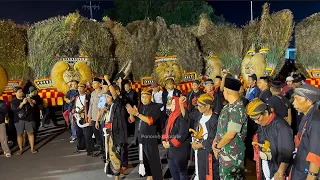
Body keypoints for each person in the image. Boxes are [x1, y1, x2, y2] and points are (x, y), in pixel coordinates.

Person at [246, 98, 295, 180]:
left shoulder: (281, 126)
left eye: (257, 119)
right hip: (267, 165)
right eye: (253, 120)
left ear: (265, 112)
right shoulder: (262, 123)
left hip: (277, 170)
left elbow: (287, 152)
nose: (256, 122)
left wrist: (280, 173)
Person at [212, 77, 247, 179]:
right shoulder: (227, 107)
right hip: (224, 154)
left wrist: (218, 147)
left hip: (233, 157)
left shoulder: (238, 109)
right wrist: (215, 142)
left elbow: (231, 133)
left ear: (226, 91)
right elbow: (221, 128)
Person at [126, 88, 162, 180]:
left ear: (151, 97)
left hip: (150, 138)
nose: (144, 99)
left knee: (153, 161)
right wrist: (131, 113)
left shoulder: (156, 107)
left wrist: (137, 114)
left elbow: (150, 121)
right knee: (145, 161)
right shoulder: (140, 106)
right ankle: (149, 177)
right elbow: (132, 120)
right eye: (142, 97)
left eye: (146, 97)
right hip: (140, 138)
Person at [182, 94, 219, 180]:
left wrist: (200, 145)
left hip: (208, 152)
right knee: (199, 172)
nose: (198, 108)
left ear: (208, 106)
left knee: (208, 174)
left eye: (200, 106)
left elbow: (213, 138)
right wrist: (181, 104)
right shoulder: (199, 115)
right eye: (197, 105)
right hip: (199, 150)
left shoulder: (215, 119)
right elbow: (186, 116)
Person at [290, 84, 320, 180]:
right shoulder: (307, 116)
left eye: (297, 99)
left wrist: (311, 177)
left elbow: (315, 157)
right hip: (300, 167)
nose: (294, 103)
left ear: (309, 101)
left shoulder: (316, 122)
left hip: (306, 173)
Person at [101, 77, 128, 179]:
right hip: (110, 133)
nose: (106, 99)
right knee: (112, 153)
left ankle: (117, 174)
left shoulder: (118, 103)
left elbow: (114, 94)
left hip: (119, 132)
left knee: (116, 153)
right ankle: (117, 171)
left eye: (108, 97)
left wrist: (107, 81)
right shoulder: (109, 106)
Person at [162, 96, 191, 180]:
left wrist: (170, 143)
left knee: (182, 173)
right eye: (171, 103)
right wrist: (164, 140)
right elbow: (165, 130)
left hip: (180, 150)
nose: (171, 105)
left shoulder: (183, 117)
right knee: (174, 173)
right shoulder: (171, 116)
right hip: (171, 151)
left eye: (174, 104)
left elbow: (182, 134)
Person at [11, 86, 37, 155]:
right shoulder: (14, 101)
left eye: (22, 91)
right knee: (20, 134)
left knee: (30, 133)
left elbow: (32, 106)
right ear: (15, 93)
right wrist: (22, 103)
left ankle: (32, 148)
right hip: (19, 120)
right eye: (19, 92)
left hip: (29, 118)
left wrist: (32, 102)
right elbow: (15, 110)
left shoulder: (27, 98)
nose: (21, 93)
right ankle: (20, 149)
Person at [72, 82, 94, 156]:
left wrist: (90, 117)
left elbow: (91, 106)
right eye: (78, 88)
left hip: (85, 117)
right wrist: (73, 116)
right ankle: (81, 147)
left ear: (84, 89)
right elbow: (74, 107)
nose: (79, 89)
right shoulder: (77, 97)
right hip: (78, 117)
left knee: (87, 134)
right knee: (79, 133)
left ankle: (89, 149)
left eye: (81, 88)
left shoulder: (88, 96)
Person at [88, 77, 104, 157]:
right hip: (94, 117)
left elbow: (102, 107)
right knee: (97, 134)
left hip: (101, 118)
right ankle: (100, 148)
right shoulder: (93, 93)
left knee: (103, 134)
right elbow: (90, 105)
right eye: (92, 83)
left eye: (95, 83)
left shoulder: (103, 93)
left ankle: (105, 150)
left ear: (99, 84)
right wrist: (89, 116)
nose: (93, 85)